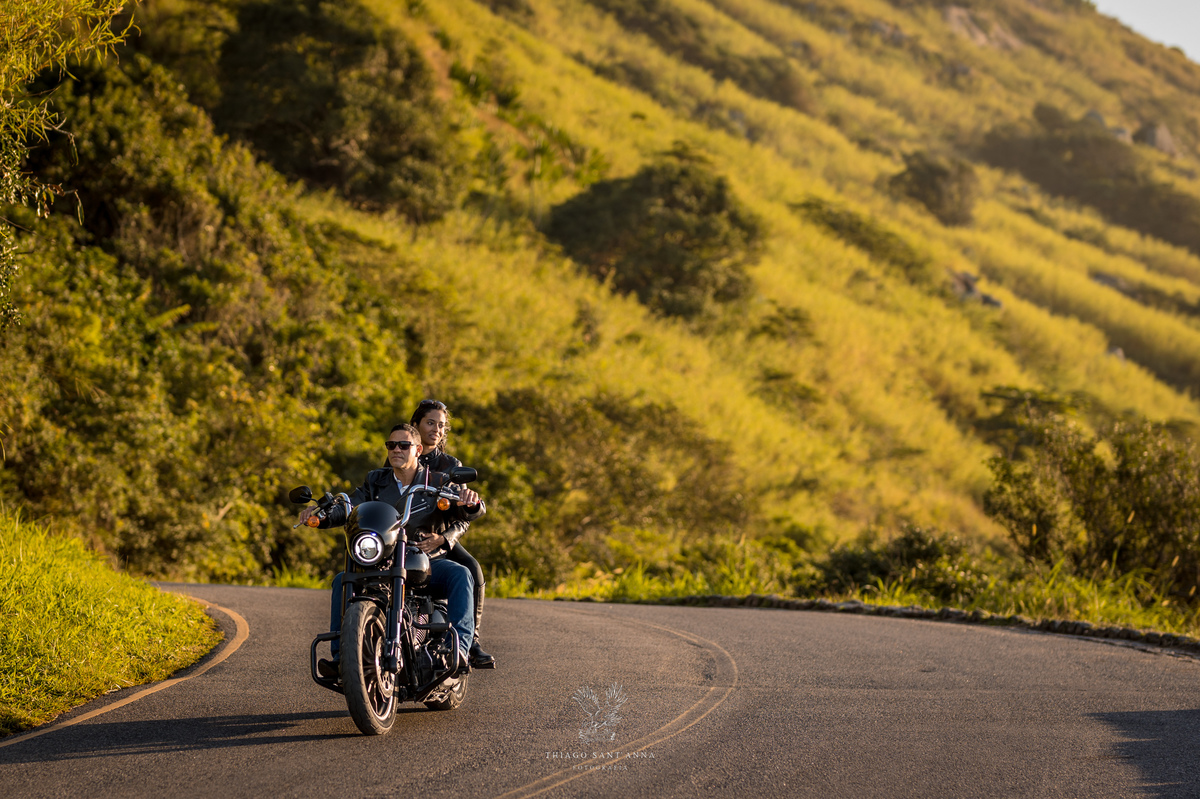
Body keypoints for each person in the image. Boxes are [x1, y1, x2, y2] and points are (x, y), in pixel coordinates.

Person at [304, 423, 484, 679]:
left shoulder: (438, 480)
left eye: (403, 445)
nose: (396, 449)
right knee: (342, 580)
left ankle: (459, 651)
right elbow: (351, 504)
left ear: (418, 450)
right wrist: (322, 516)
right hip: (383, 561)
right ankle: (342, 659)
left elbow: (468, 509)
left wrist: (471, 503)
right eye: (391, 445)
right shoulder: (376, 481)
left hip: (425, 562)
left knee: (461, 574)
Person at [409, 399, 496, 669]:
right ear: (416, 425)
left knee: (471, 568)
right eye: (430, 423)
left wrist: (444, 539)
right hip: (403, 538)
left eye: (441, 426)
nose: (436, 429)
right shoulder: (401, 454)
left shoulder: (450, 464)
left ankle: (471, 642)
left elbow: (464, 516)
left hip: (438, 534)